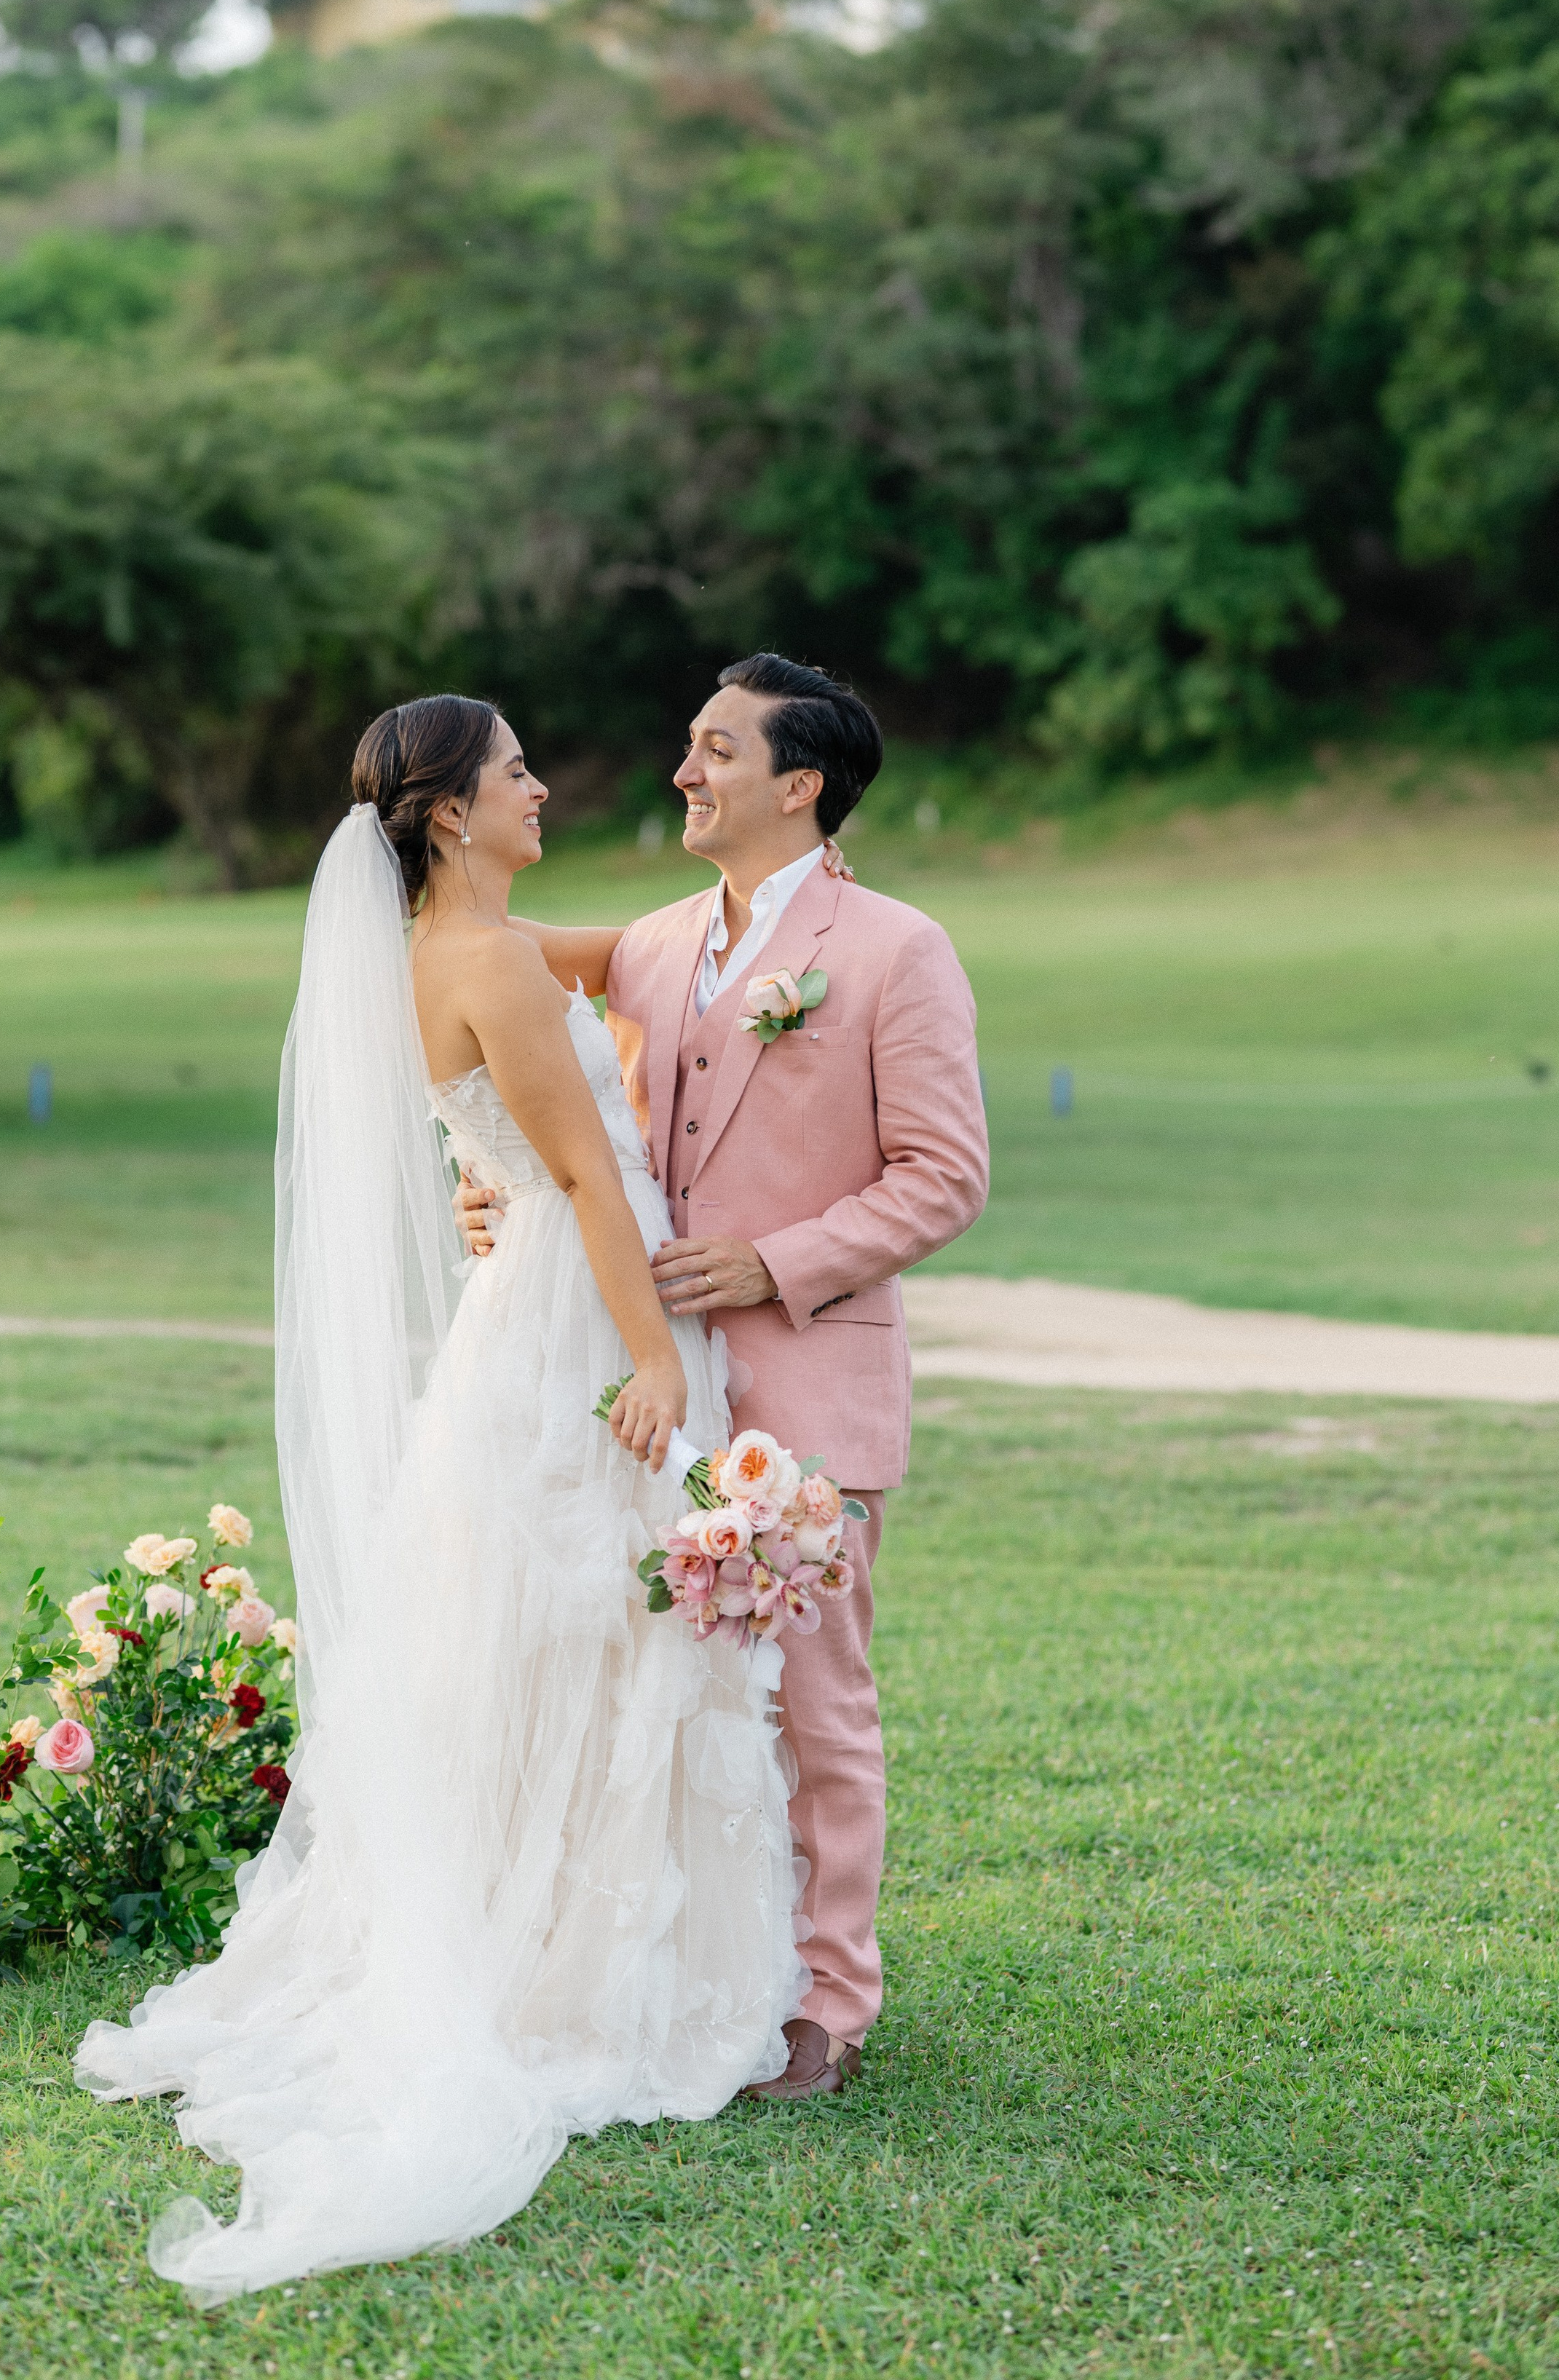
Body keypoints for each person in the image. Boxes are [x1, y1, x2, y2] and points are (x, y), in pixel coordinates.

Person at [74, 695, 801, 2301]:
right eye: (518, 770)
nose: (544, 785)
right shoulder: (482, 964)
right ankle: (579, 1972)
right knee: (597, 1627)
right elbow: (592, 1177)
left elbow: (639, 951)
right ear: (455, 812)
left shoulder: (451, 948)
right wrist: (651, 1361)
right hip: (572, 1329)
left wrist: (779, 893)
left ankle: (537, 1919)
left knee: (525, 1636)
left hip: (516, 1315)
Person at [467, 655, 989, 2097]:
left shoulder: (895, 949)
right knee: (676, 1692)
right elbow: (491, 970)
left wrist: (773, 1262)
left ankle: (828, 2002)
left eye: (712, 749)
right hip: (654, 1392)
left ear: (798, 784)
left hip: (809, 1383)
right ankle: (706, 1971)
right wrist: (500, 1190)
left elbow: (944, 1175)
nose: (682, 771)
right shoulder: (648, 940)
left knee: (812, 1699)